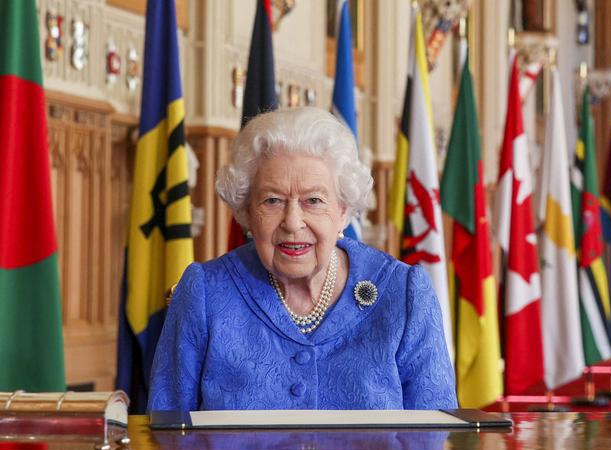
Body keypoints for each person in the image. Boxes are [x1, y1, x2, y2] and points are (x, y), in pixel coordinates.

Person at [147, 107, 457, 411]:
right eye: (273, 200)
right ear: (246, 212)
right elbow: (167, 435)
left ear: (343, 210)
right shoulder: (205, 293)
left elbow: (437, 441)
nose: (293, 222)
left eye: (313, 201)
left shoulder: (403, 294)